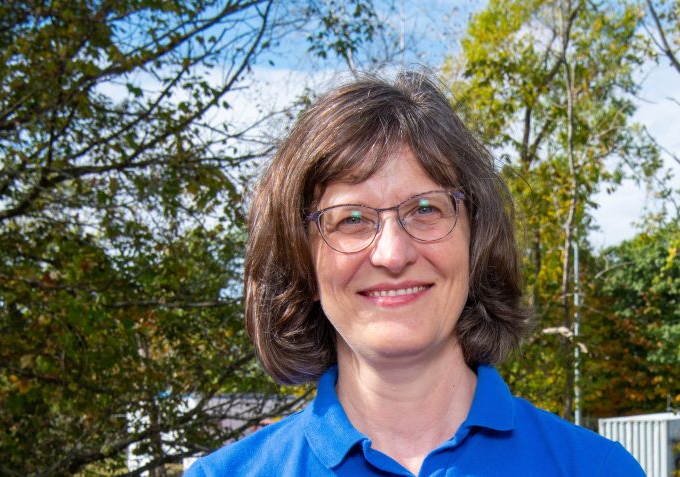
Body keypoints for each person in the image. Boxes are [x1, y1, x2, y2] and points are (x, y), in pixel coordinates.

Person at [185, 71, 645, 476]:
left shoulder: (596, 468)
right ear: (301, 261)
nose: (392, 253)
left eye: (426, 209)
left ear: (476, 238)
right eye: (351, 219)